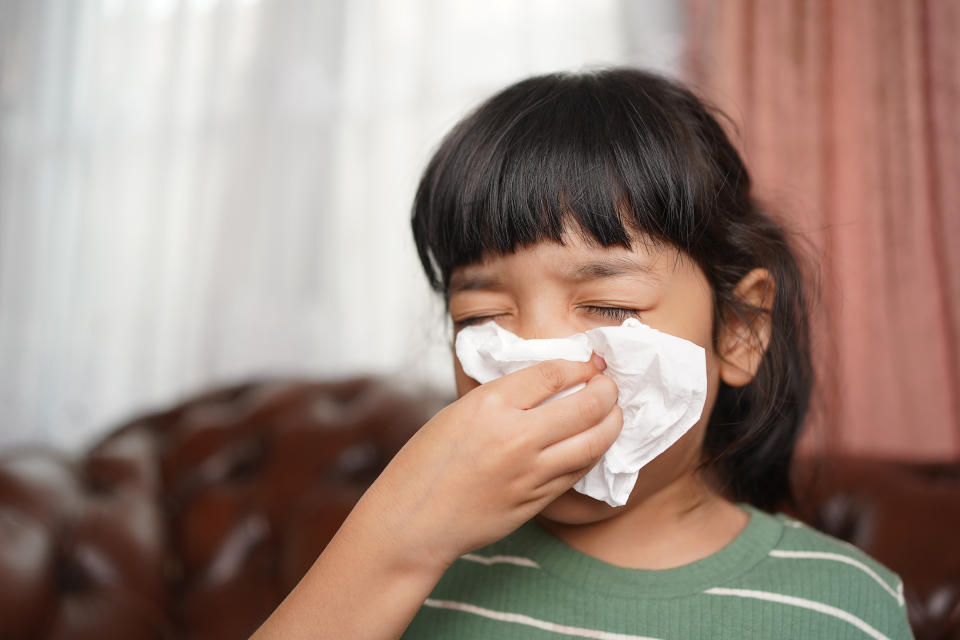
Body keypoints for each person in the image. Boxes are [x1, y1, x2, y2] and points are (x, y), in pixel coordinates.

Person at [253, 68, 913, 639]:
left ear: (738, 330)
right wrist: (397, 540)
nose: (540, 361)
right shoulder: (401, 576)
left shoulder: (842, 606)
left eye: (608, 308)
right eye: (481, 316)